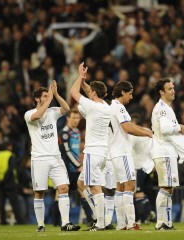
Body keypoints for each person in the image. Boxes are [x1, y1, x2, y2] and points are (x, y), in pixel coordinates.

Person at [24, 81, 80, 232]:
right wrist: (50, 98)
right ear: (37, 99)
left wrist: (55, 94)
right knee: (39, 192)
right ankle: (41, 225)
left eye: (48, 96)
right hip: (39, 158)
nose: (48, 98)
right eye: (44, 96)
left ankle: (65, 223)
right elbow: (38, 115)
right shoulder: (29, 114)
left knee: (63, 187)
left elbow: (67, 108)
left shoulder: (53, 111)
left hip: (55, 157)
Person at [70, 62, 111, 231]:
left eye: (90, 91)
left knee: (95, 187)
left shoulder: (92, 106)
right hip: (102, 153)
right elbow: (88, 91)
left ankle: (102, 222)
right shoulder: (105, 106)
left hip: (92, 152)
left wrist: (80, 76)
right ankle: (97, 216)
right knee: (81, 184)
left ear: (94, 93)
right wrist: (85, 81)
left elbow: (73, 93)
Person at [108, 81, 153, 230]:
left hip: (114, 152)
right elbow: (127, 128)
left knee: (120, 187)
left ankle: (121, 224)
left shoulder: (112, 107)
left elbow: (131, 125)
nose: (131, 97)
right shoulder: (119, 108)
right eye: (130, 93)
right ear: (122, 92)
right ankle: (131, 223)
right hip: (122, 151)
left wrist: (146, 131)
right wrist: (147, 133)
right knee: (130, 185)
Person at [151, 78, 184, 230]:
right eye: (169, 89)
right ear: (161, 92)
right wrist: (179, 127)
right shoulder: (162, 108)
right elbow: (166, 128)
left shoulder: (166, 107)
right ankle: (162, 222)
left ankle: (165, 221)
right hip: (164, 152)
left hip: (166, 152)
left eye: (173, 87)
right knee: (166, 187)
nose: (173, 90)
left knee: (169, 187)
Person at [55, 109, 94, 226]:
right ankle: (57, 221)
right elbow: (66, 152)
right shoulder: (64, 133)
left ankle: (90, 219)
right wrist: (78, 165)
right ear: (68, 118)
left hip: (76, 169)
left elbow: (75, 152)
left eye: (78, 118)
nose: (76, 120)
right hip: (66, 169)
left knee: (83, 191)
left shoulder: (76, 132)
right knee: (61, 193)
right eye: (74, 118)